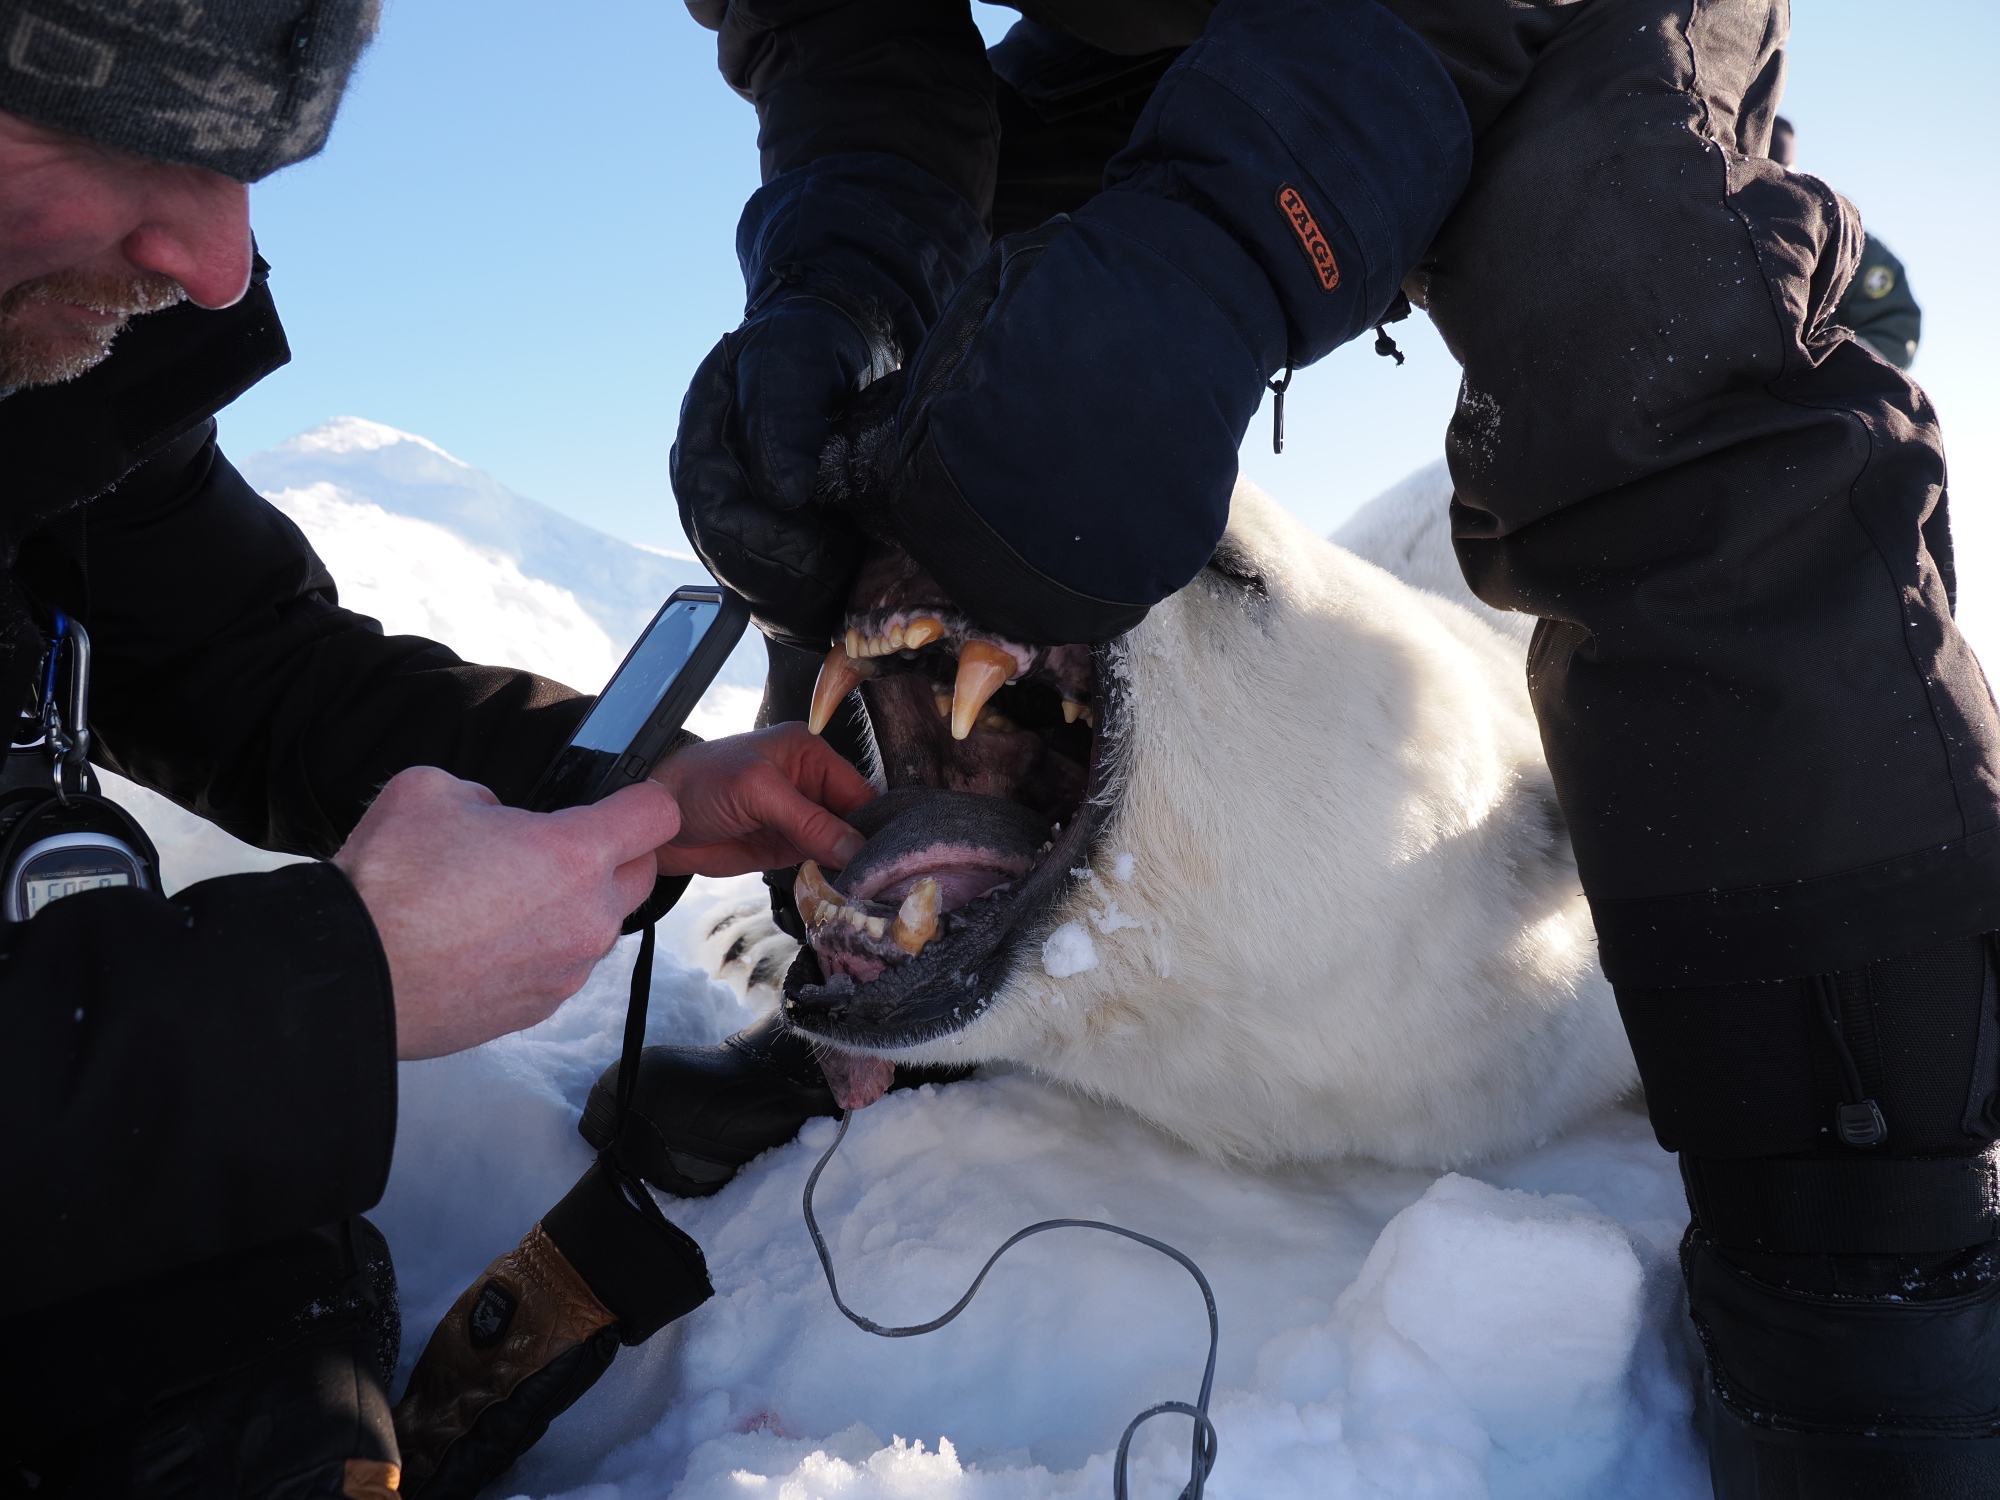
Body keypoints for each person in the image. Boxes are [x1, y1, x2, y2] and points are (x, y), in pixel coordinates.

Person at [656, 1, 2000, 1496]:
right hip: (1144, 38)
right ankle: (905, 922)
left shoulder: (1520, 855)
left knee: (1627, 288)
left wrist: (1216, 254)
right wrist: (852, 276)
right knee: (950, 366)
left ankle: (1868, 1225)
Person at [0, 3, 874, 1495]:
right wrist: (320, 992)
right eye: (131, 139)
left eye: (250, 169)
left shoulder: (47, 391)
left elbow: (244, 665)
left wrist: (626, 792)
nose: (219, 267)